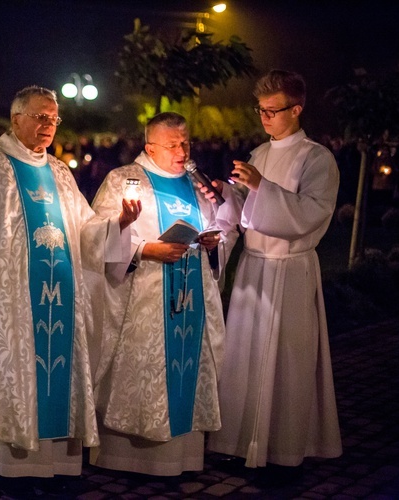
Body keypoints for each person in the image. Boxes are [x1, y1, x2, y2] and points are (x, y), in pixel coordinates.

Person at [0, 85, 140, 495]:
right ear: (15, 118)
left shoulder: (59, 172)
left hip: (61, 302)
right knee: (11, 376)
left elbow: (87, 230)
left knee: (56, 379)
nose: (48, 126)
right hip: (13, 303)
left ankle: (56, 465)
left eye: (53, 119)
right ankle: (13, 468)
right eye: (39, 116)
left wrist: (118, 225)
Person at [205, 69, 343, 479]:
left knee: (287, 361)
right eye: (260, 110)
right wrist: (225, 194)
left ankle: (283, 451)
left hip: (290, 270)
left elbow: (311, 214)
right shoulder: (259, 154)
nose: (264, 118)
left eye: (272, 110)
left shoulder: (317, 158)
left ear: (296, 109)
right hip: (254, 270)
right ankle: (236, 443)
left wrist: (263, 188)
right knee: (244, 358)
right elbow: (245, 211)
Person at [88, 112, 236, 476]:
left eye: (186, 142)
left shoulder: (196, 182)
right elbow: (95, 235)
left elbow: (221, 226)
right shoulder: (123, 179)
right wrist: (143, 250)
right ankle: (126, 458)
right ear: (150, 146)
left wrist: (214, 238)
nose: (182, 151)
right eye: (172, 145)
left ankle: (181, 459)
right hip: (145, 297)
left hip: (192, 297)